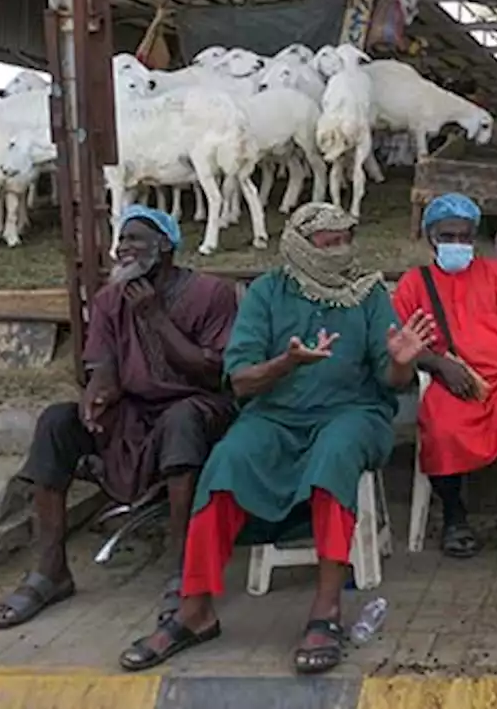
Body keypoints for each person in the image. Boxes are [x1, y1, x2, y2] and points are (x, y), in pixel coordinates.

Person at [117, 202, 435, 675]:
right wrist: (288, 364)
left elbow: (389, 381)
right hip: (276, 415)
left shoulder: (367, 295)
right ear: (300, 246)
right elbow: (241, 381)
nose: (339, 251)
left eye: (344, 241)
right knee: (226, 464)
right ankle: (194, 609)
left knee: (334, 456)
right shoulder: (268, 294)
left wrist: (403, 360)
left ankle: (326, 612)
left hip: (353, 413)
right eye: (326, 243)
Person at [0, 205, 240, 630]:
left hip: (198, 406)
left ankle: (183, 577)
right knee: (56, 422)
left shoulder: (209, 294)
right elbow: (101, 362)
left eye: (135, 239)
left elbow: (213, 372)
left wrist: (155, 316)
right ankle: (51, 570)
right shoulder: (109, 299)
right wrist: (96, 393)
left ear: (165, 247)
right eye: (120, 240)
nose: (122, 248)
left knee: (182, 422)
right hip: (133, 412)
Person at [392, 193, 497, 575]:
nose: (457, 244)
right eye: (448, 236)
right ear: (431, 238)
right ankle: (454, 517)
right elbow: (401, 342)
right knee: (441, 426)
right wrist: (439, 365)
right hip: (453, 381)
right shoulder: (414, 283)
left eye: (464, 236)